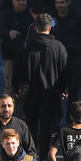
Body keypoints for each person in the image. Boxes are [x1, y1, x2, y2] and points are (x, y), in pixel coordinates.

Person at [21, 12, 68, 152]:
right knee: (47, 125)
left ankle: (31, 151)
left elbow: (19, 69)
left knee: (31, 123)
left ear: (35, 28)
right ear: (49, 27)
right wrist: (63, 90)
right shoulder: (58, 47)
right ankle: (42, 154)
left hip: (30, 92)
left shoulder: (26, 46)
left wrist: (18, 88)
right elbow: (64, 71)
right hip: (50, 93)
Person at [0, 0, 33, 92]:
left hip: (28, 57)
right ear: (13, 1)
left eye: (23, 0)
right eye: (18, 0)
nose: (21, 2)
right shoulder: (6, 14)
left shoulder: (31, 14)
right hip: (11, 56)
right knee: (10, 87)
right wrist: (9, 32)